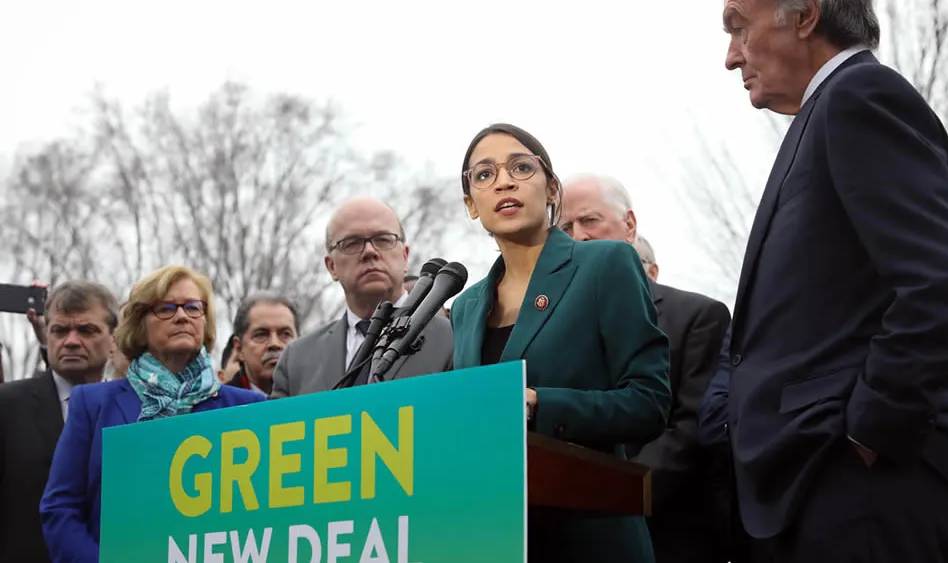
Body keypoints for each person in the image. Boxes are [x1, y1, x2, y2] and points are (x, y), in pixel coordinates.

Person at [721, 0, 948, 561]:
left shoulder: (858, 96)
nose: (730, 57)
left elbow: (943, 288)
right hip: (816, 487)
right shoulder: (824, 114)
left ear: (805, 14)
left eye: (739, 26)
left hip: (866, 487)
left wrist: (870, 431)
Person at [450, 123, 671, 563]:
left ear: (552, 190)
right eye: (484, 174)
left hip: (592, 535)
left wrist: (541, 405)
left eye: (520, 167)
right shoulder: (466, 306)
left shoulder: (606, 264)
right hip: (499, 538)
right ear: (472, 205)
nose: (505, 181)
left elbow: (649, 403)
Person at [39, 266, 265, 563]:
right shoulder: (92, 404)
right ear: (139, 324)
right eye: (166, 308)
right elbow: (60, 508)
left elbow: (262, 516)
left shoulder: (247, 407)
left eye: (193, 307)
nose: (182, 316)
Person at [560, 175, 731, 563]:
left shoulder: (698, 317)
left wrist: (613, 496)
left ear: (630, 225)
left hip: (666, 533)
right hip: (571, 532)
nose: (579, 236)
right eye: (566, 228)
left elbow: (691, 428)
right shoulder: (552, 328)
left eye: (590, 220)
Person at [271, 196, 453, 398]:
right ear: (331, 266)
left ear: (405, 257)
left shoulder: (452, 339)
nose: (369, 252)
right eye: (351, 243)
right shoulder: (296, 360)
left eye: (383, 239)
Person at [0, 280, 119, 563]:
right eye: (60, 330)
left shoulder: (136, 411)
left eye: (87, 330)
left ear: (115, 339)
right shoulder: (7, 406)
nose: (72, 341)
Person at [225, 291, 300, 395]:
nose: (275, 344)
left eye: (285, 334)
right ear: (239, 348)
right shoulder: (219, 407)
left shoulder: (321, 397)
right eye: (261, 335)